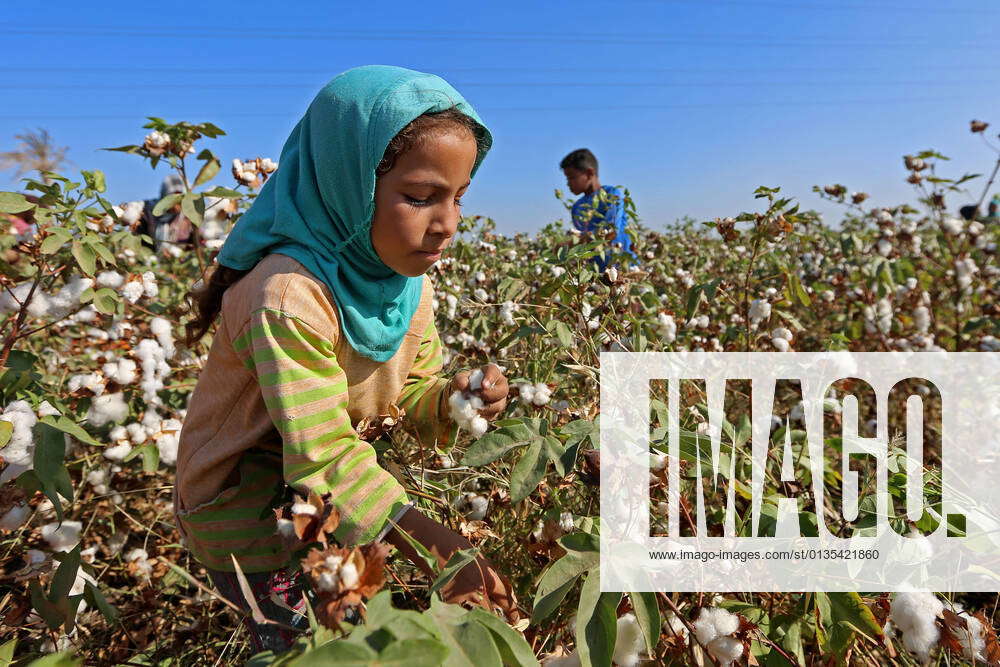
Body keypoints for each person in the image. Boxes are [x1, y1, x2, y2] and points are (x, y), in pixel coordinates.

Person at [172, 65, 519, 653]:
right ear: (346, 182)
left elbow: (410, 390)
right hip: (246, 520)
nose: (449, 224)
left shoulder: (407, 283)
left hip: (318, 496)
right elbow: (324, 455)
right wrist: (443, 548)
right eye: (420, 197)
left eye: (458, 197)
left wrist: (456, 398)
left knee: (351, 628)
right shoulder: (287, 298)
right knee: (306, 649)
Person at [560, 147, 638, 271]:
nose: (568, 183)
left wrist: (569, 244)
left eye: (571, 177)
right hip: (596, 273)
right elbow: (583, 242)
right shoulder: (577, 208)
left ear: (590, 173)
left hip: (623, 269)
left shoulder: (612, 195)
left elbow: (610, 231)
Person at [141, 173, 193, 252]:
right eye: (173, 200)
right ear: (164, 197)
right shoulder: (149, 211)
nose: (176, 205)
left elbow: (193, 246)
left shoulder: (189, 218)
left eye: (179, 200)